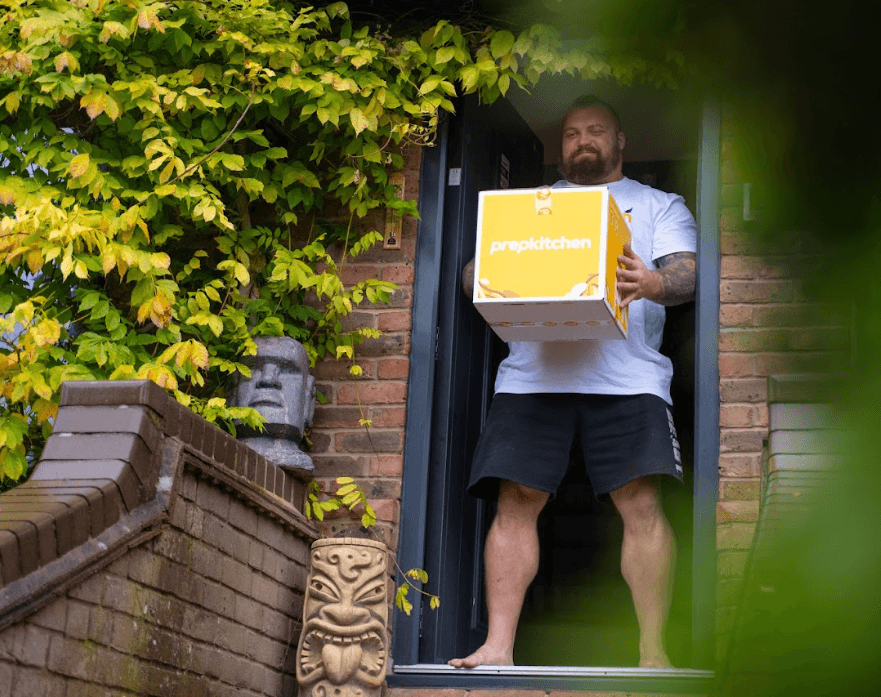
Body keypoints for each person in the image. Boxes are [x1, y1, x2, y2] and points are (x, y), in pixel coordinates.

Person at [450, 95, 697, 669]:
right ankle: (497, 648)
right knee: (515, 501)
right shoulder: (529, 207)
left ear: (620, 141)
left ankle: (653, 652)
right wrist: (483, 276)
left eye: (595, 131)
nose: (582, 141)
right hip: (532, 378)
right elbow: (474, 272)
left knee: (641, 506)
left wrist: (652, 282)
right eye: (570, 133)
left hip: (630, 378)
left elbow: (687, 274)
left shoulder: (658, 205)